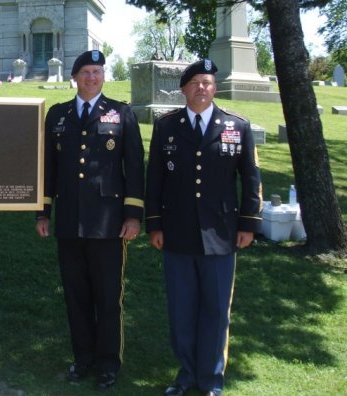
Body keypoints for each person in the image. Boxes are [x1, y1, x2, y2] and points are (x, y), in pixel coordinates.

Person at [145, 59, 262, 396]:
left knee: (215, 311)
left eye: (207, 82)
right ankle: (186, 375)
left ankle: (211, 380)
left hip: (221, 234)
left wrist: (249, 224)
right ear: (183, 89)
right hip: (177, 232)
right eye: (195, 82)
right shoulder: (167, 126)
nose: (201, 88)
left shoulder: (236, 126)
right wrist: (155, 223)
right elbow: (155, 179)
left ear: (215, 88)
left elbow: (251, 179)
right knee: (182, 310)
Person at [37, 50, 145, 390]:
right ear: (74, 77)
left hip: (108, 223)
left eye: (97, 71)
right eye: (85, 72)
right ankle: (83, 359)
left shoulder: (121, 112)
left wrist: (133, 216)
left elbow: (135, 168)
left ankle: (108, 364)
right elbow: (48, 168)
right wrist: (44, 211)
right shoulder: (58, 115)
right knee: (76, 296)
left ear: (103, 76)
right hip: (69, 221)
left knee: (107, 297)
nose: (92, 77)